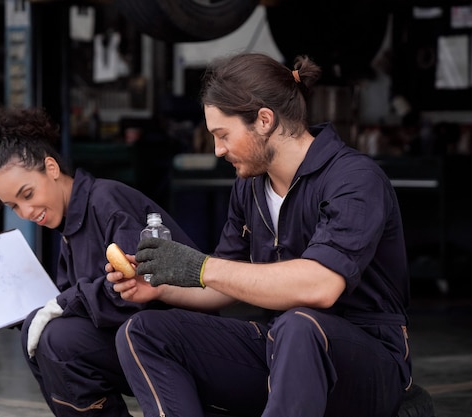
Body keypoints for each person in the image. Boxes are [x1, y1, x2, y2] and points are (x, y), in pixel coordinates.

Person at [107, 52, 412, 417]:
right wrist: (162, 285)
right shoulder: (250, 187)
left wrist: (199, 266)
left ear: (264, 120)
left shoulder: (354, 179)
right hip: (279, 344)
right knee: (142, 332)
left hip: (368, 363)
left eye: (223, 135)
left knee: (301, 326)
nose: (218, 150)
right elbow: (226, 281)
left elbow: (320, 287)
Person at [0, 106, 197, 417]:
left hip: (180, 339)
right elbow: (68, 304)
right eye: (13, 206)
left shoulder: (107, 202)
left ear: (51, 167)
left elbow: (134, 286)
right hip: (139, 339)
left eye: (27, 194)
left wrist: (61, 305)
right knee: (39, 338)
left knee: (57, 340)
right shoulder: (70, 227)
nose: (26, 212)